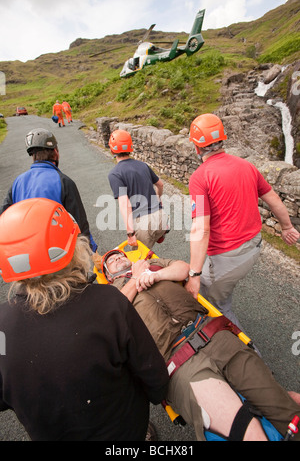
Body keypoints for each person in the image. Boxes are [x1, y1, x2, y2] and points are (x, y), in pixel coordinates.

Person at [0, 198, 169, 441]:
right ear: (73, 248)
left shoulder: (2, 326)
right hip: (125, 432)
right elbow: (156, 379)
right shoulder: (109, 303)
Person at [101, 248, 300, 441]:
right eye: (111, 260)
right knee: (242, 432)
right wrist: (136, 278)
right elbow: (113, 316)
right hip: (177, 361)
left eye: (119, 254)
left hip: (212, 333)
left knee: (281, 406)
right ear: (109, 276)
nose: (118, 257)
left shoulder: (151, 264)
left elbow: (183, 267)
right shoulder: (110, 293)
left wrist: (156, 275)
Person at [185, 113, 300, 329]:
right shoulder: (246, 166)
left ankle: (247, 354)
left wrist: (194, 273)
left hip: (227, 256)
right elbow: (273, 199)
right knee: (222, 293)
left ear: (197, 147)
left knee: (215, 305)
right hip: (253, 247)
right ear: (222, 140)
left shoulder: (200, 177)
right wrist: (287, 227)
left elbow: (201, 228)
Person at [0, 128, 100, 266]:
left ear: (33, 156)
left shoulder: (17, 182)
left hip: (26, 257)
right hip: (58, 254)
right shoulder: (64, 181)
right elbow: (79, 223)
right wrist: (92, 250)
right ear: (55, 152)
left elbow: (4, 218)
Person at [108, 129, 169, 249]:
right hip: (161, 216)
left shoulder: (115, 174)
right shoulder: (143, 165)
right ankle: (159, 234)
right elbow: (160, 185)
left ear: (112, 149)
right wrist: (158, 198)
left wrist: (130, 233)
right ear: (130, 147)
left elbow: (125, 203)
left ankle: (153, 238)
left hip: (144, 223)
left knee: (139, 262)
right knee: (150, 247)